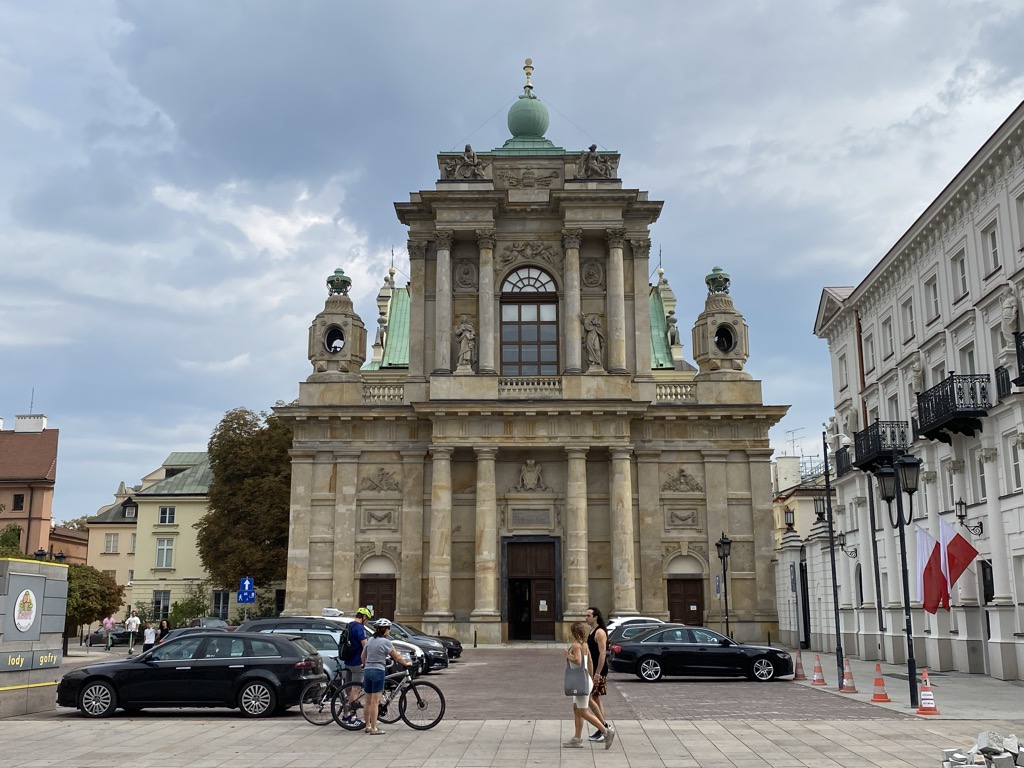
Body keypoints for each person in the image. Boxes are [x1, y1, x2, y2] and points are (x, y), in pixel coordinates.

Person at [563, 621, 614, 749]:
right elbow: (590, 662)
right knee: (576, 709)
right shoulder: (585, 645)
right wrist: (591, 677)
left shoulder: (575, 645)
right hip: (585, 679)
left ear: (573, 632)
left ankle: (605, 731)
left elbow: (578, 660)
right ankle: (577, 738)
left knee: (583, 711)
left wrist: (567, 655)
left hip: (579, 681)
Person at [361, 618, 413, 735]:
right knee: (375, 702)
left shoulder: (370, 640)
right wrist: (406, 663)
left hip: (368, 670)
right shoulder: (386, 642)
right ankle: (374, 728)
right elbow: (396, 656)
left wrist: (365, 665)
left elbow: (363, 655)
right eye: (389, 629)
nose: (389, 631)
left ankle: (368, 725)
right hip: (378, 671)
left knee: (368, 701)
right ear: (385, 630)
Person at [340, 607, 373, 728]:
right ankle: (352, 718)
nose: (367, 621)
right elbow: (365, 645)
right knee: (356, 689)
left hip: (348, 662)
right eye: (367, 619)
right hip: (357, 663)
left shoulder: (349, 625)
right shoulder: (360, 628)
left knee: (348, 690)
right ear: (364, 617)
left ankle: (345, 715)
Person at [584, 606, 611, 741]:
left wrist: (597, 673)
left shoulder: (599, 632)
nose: (586, 618)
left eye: (588, 615)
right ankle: (602, 727)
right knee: (595, 698)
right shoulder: (592, 631)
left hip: (599, 670)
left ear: (595, 617)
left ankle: (604, 727)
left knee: (593, 698)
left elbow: (602, 653)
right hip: (593, 670)